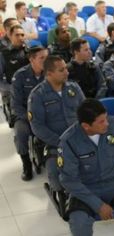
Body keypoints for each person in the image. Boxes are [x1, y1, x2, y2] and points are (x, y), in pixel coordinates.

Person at [58, 98, 114, 236]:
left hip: (113, 183)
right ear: (86, 126)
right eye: (101, 121)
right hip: (85, 189)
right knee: (79, 224)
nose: (107, 123)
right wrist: (98, 205)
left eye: (106, 118)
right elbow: (69, 180)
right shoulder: (68, 141)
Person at [28, 55, 85, 206]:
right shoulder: (37, 95)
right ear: (49, 73)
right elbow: (37, 127)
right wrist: (60, 142)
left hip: (80, 138)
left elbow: (86, 112)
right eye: (61, 70)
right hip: (56, 143)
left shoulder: (74, 88)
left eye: (66, 68)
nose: (67, 72)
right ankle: (61, 194)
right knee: (54, 169)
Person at [10, 46, 47, 181]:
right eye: (42, 58)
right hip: (27, 115)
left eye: (47, 57)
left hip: (48, 113)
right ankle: (26, 163)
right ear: (32, 59)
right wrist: (31, 119)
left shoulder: (50, 72)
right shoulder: (20, 76)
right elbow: (16, 105)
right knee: (20, 132)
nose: (46, 60)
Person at [0, 25, 29, 127]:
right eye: (17, 35)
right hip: (14, 92)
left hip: (32, 89)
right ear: (10, 36)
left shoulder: (30, 52)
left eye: (22, 35)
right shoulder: (3, 55)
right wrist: (12, 88)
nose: (20, 37)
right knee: (20, 124)